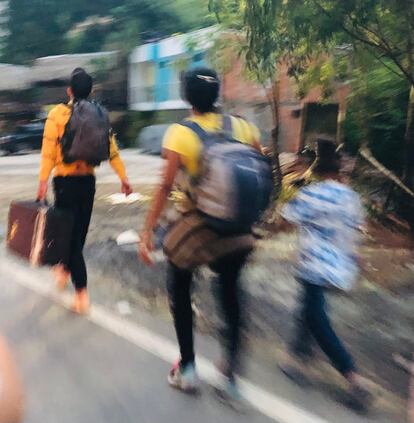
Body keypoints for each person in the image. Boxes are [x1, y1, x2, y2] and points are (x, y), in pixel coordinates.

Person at [139, 67, 262, 401]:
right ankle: (231, 375)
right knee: (231, 292)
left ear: (186, 97)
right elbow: (259, 167)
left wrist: (148, 232)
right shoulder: (243, 126)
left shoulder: (179, 134)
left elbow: (165, 186)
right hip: (239, 229)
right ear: (218, 94)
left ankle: (189, 370)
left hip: (203, 226)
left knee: (179, 281)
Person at [280, 139, 371, 411]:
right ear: (339, 171)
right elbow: (358, 228)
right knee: (308, 310)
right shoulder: (351, 197)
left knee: (317, 320)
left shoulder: (311, 195)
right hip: (343, 267)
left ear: (315, 170)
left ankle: (354, 379)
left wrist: (295, 186)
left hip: (314, 267)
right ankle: (297, 357)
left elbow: (285, 220)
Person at [37, 68, 132, 314]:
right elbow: (112, 151)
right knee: (77, 234)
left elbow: (48, 152)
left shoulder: (57, 114)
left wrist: (42, 183)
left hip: (65, 184)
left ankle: (81, 293)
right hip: (88, 183)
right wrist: (124, 178)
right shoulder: (98, 116)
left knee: (70, 240)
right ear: (90, 91)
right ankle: (65, 270)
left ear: (69, 90)